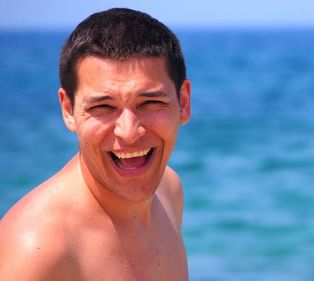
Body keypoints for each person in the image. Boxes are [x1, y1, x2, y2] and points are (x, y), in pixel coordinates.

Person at [0, 8, 191, 280]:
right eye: (103, 106)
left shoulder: (168, 190)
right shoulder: (39, 248)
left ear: (183, 102)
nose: (129, 132)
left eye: (150, 102)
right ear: (68, 110)